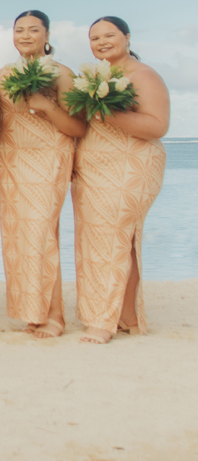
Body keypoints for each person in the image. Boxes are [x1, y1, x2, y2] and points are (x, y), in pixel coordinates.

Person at [72, 17, 168, 344]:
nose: (101, 42)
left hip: (131, 164)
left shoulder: (143, 75)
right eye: (94, 37)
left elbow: (158, 125)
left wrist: (109, 112)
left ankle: (103, 321)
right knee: (106, 241)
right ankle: (127, 317)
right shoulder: (93, 78)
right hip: (93, 167)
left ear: (127, 36)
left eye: (109, 35)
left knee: (111, 239)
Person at [0, 10, 85, 338]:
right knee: (18, 237)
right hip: (12, 158)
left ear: (47, 36)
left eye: (34, 30)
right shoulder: (3, 73)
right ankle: (34, 313)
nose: (25, 35)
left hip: (49, 157)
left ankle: (56, 316)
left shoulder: (62, 74)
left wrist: (47, 106)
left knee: (41, 234)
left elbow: (77, 126)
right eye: (19, 30)